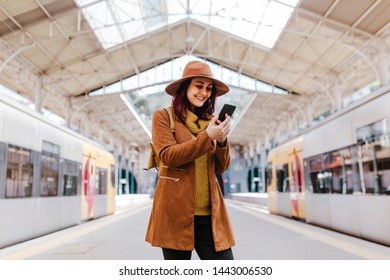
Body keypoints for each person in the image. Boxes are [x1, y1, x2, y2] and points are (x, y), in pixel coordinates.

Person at [145, 60, 235, 260]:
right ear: (185, 87)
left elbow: (221, 167)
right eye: (199, 86)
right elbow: (169, 156)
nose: (204, 92)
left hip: (211, 217)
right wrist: (207, 137)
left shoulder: (211, 122)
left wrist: (221, 141)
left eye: (209, 88)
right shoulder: (163, 117)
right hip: (175, 215)